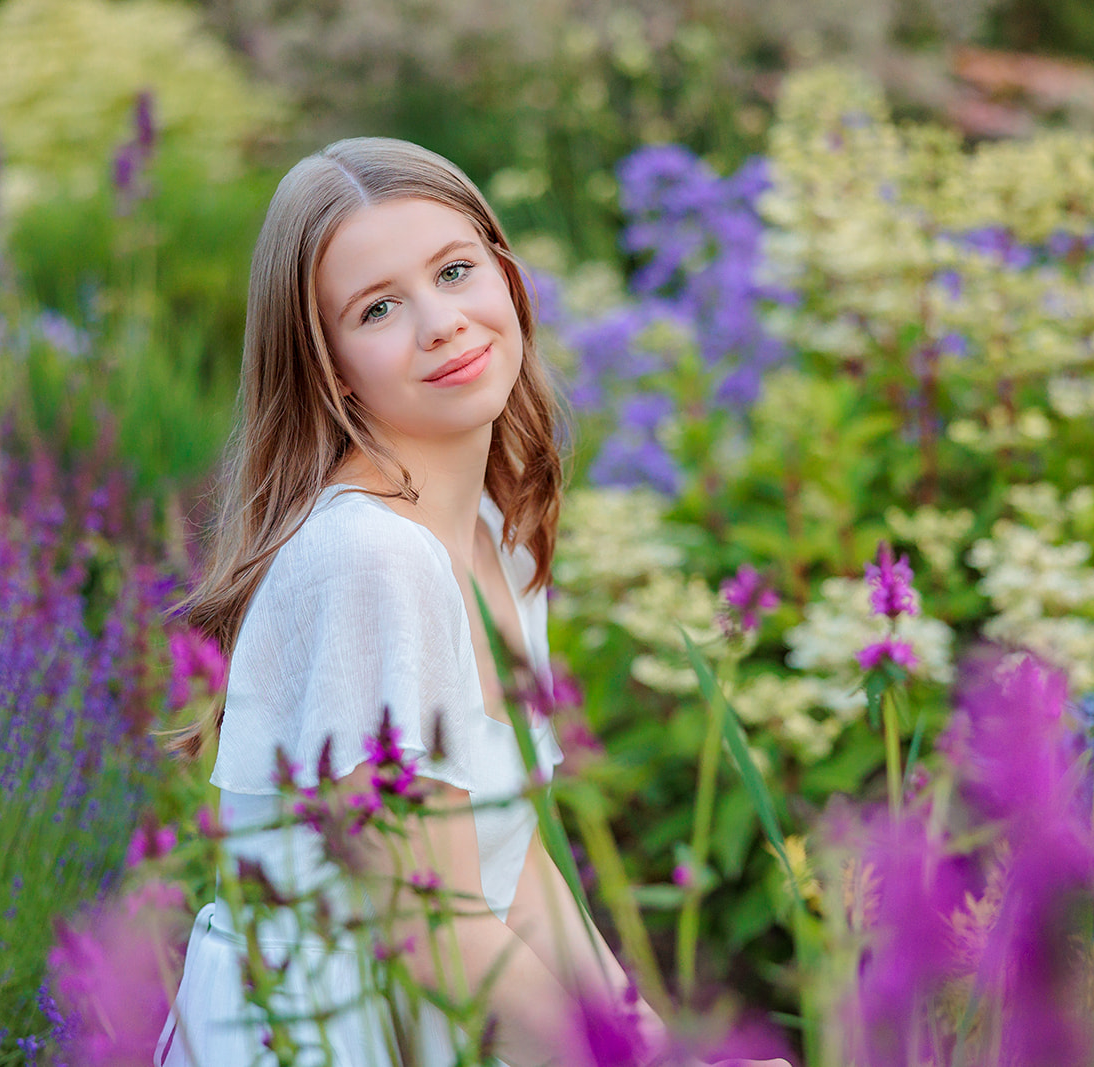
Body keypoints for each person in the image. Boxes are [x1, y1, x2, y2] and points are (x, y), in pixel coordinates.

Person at [154, 137, 790, 1067]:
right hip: (331, 1035)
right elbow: (428, 924)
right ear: (329, 367)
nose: (441, 322)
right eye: (378, 308)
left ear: (507, 275)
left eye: (455, 270)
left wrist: (647, 1041)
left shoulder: (497, 523)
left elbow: (513, 867)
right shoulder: (369, 558)